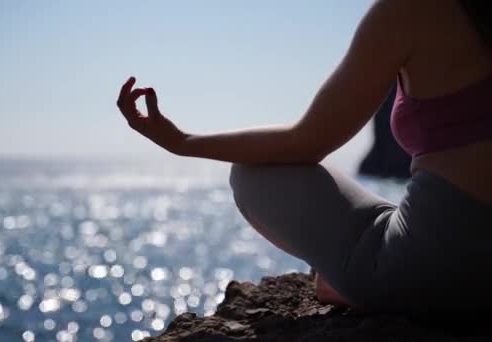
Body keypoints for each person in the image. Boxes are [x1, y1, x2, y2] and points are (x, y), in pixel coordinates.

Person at [116, 0, 492, 313]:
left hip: (440, 276)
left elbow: (306, 142)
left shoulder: (411, 10)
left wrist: (182, 141)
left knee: (253, 175)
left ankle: (351, 285)